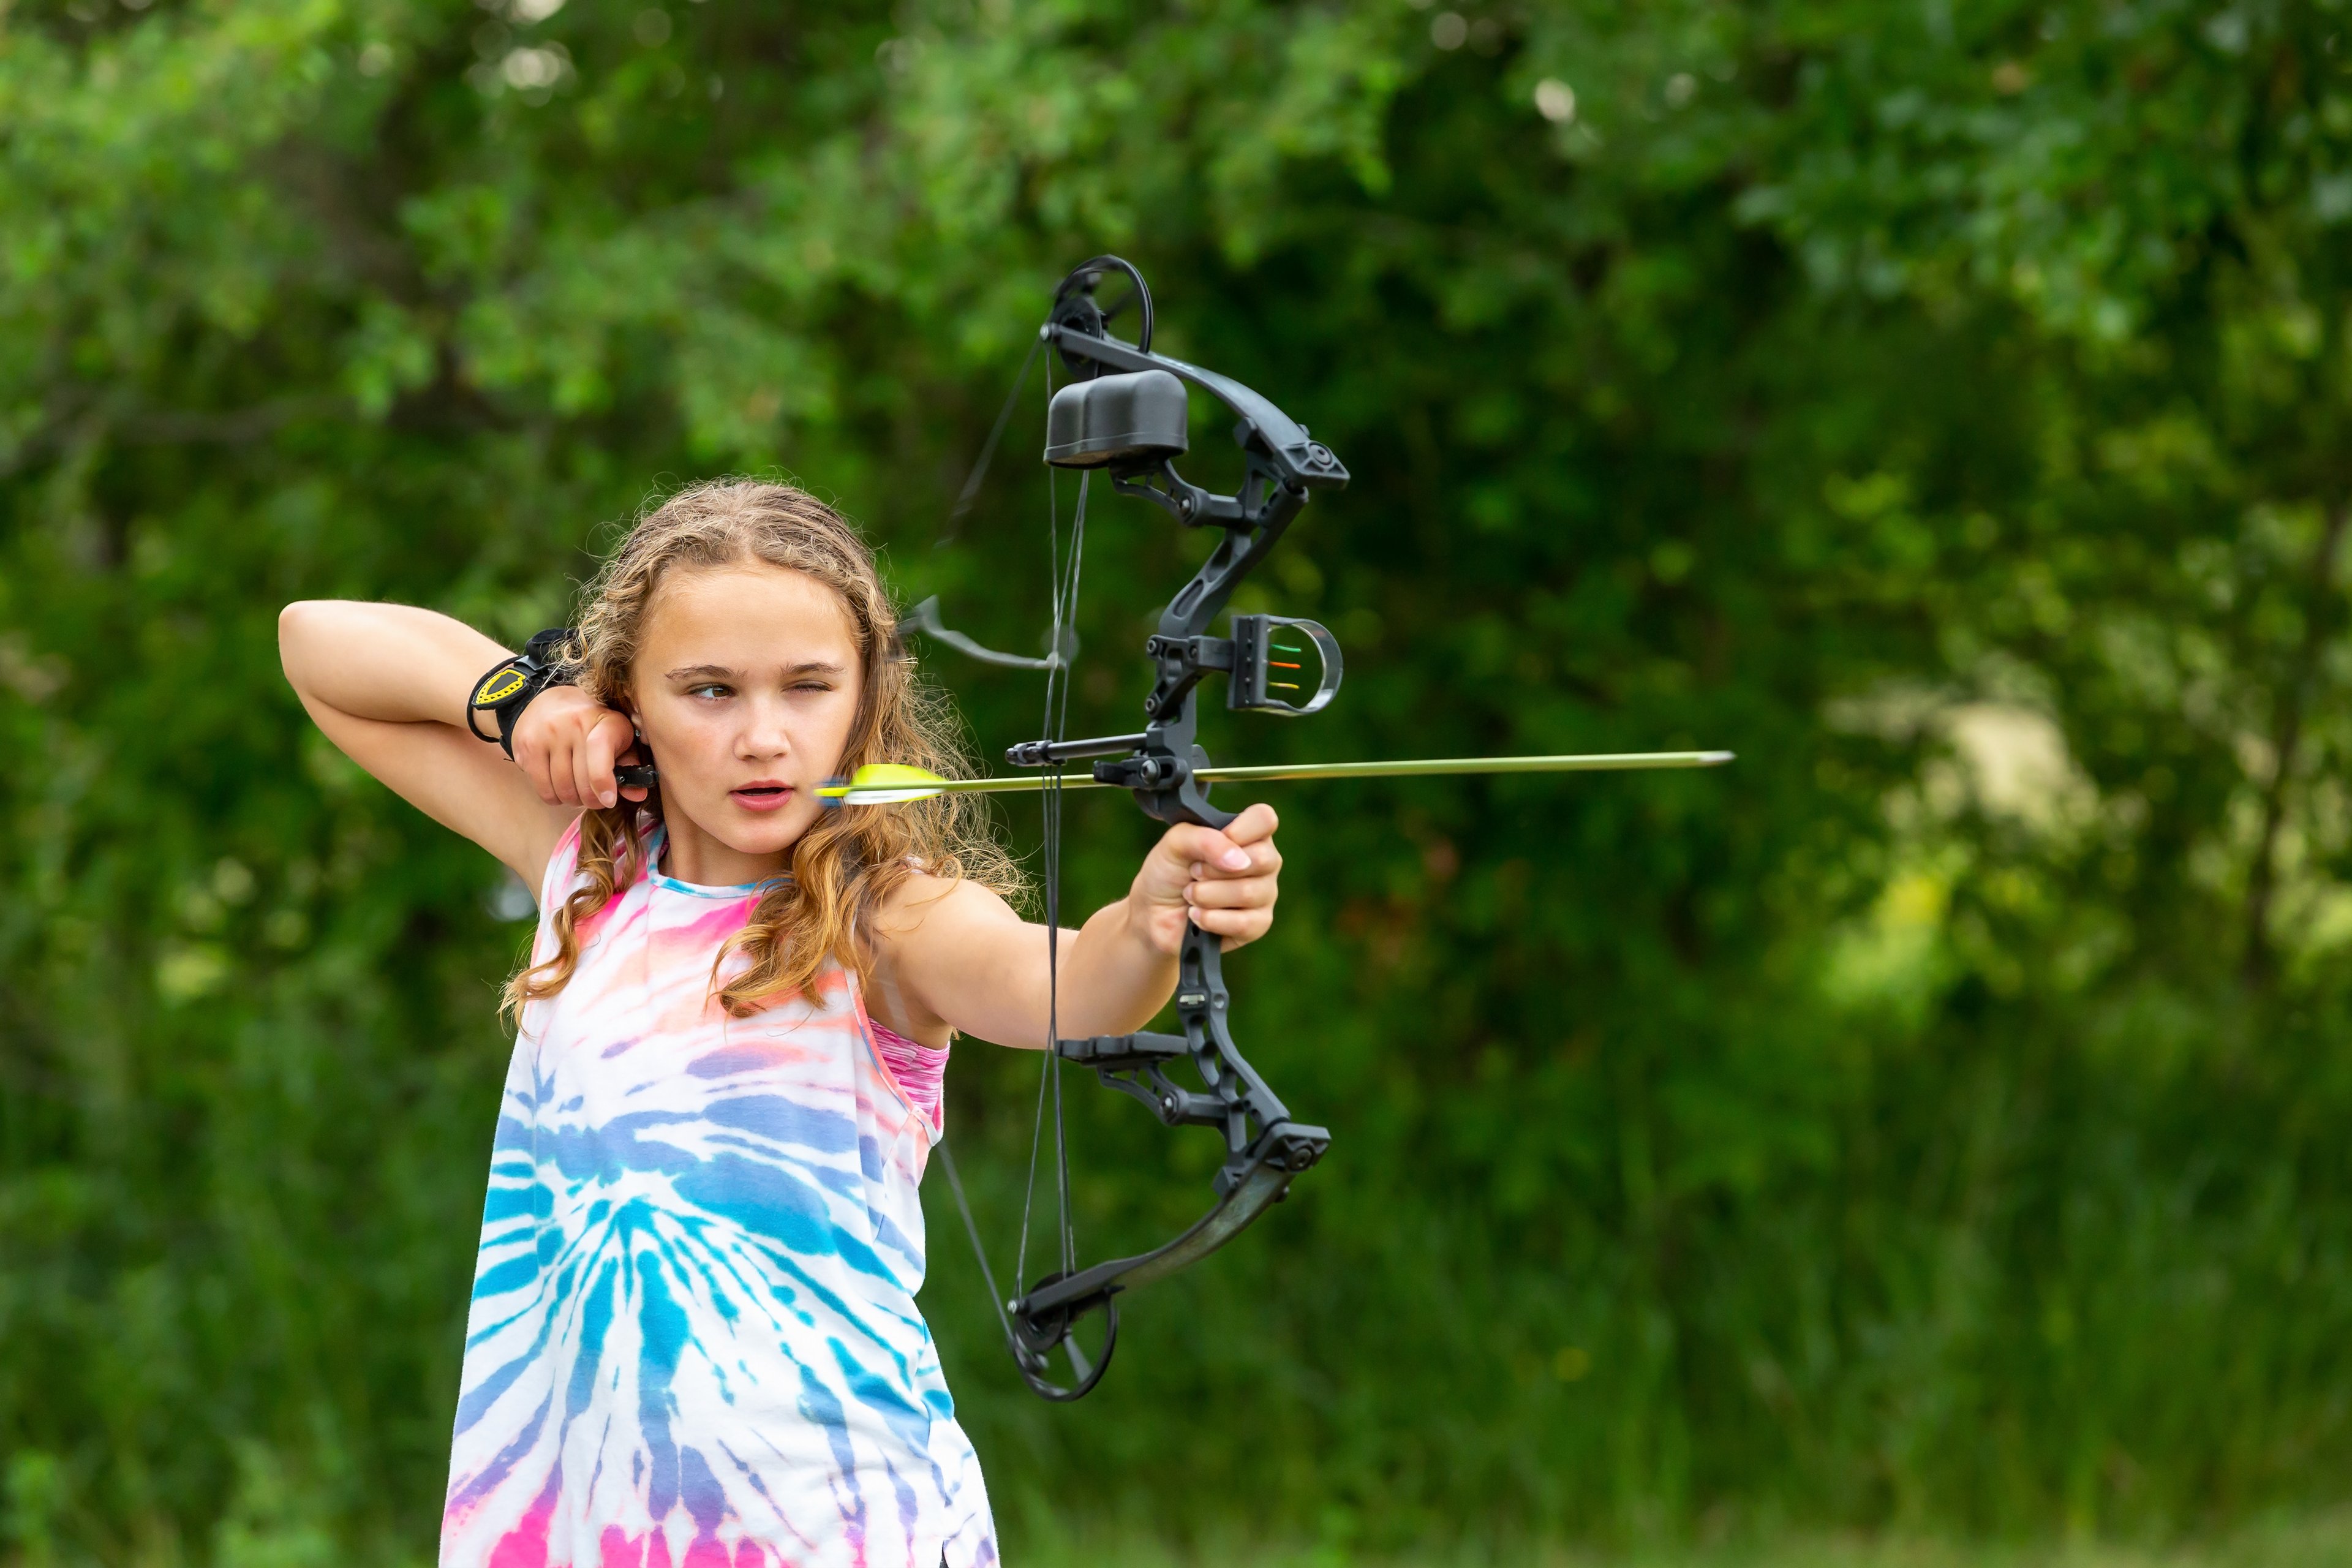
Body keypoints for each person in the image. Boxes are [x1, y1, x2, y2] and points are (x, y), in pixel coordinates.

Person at [277, 480, 1284, 1568]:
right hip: (577, 1530)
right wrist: (521, 703)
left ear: (863, 701)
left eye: (809, 687)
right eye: (708, 691)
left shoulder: (889, 917)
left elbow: (1070, 987)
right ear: (629, 707)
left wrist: (1150, 924)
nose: (764, 736)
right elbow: (317, 645)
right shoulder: (583, 869)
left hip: (839, 1532)